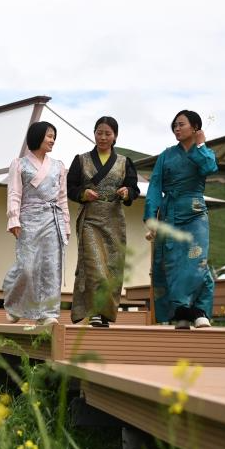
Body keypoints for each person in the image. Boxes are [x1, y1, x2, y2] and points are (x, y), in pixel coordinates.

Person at [144, 110, 218, 329]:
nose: (177, 129)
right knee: (172, 263)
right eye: (174, 125)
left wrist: (201, 145)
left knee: (197, 259)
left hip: (195, 212)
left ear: (195, 127)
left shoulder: (204, 152)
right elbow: (155, 186)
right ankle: (183, 312)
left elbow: (209, 168)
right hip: (170, 213)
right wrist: (151, 217)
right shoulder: (166, 155)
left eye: (181, 125)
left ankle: (196, 309)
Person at [68, 116, 140, 327]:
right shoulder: (81, 160)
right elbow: (70, 187)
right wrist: (83, 193)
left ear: (115, 136)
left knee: (111, 268)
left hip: (114, 219)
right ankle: (95, 312)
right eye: (99, 132)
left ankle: (106, 313)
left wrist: (127, 192)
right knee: (95, 266)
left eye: (108, 133)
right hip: (90, 218)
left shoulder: (124, 162)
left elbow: (133, 189)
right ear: (94, 133)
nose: (103, 137)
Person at [2, 121, 70, 326]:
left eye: (54, 137)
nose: (52, 140)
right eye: (49, 136)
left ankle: (48, 313)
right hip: (28, 218)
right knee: (27, 266)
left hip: (52, 218)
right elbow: (14, 193)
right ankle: (14, 304)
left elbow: (62, 197)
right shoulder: (19, 164)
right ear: (37, 136)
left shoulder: (58, 166)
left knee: (51, 265)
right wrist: (13, 218)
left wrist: (65, 224)